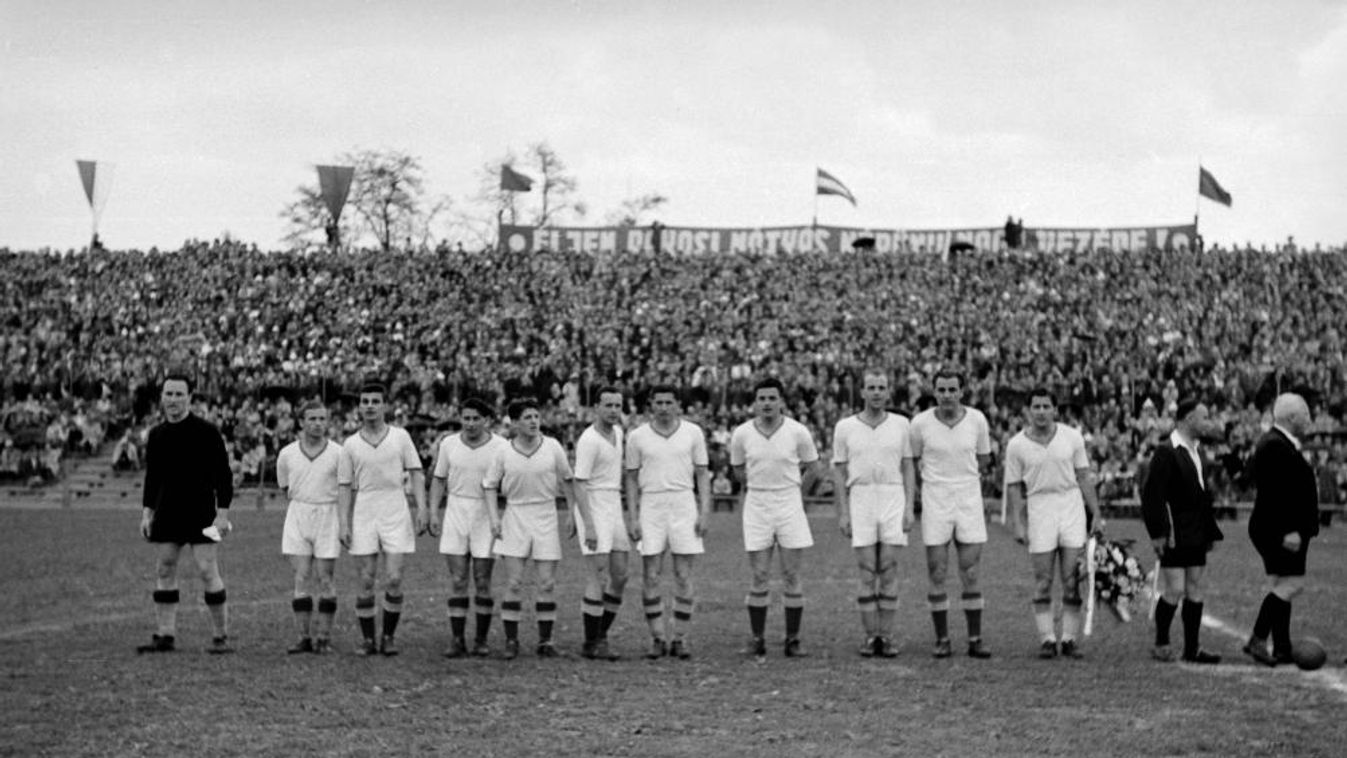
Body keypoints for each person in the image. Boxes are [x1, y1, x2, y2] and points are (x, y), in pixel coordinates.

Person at [136, 373, 235, 654]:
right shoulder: (156, 435)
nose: (173, 399)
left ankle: (220, 637)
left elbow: (223, 476)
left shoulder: (207, 432)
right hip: (167, 511)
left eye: (179, 394)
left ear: (190, 397)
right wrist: (147, 513)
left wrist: (222, 514)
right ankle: (165, 634)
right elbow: (153, 478)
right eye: (169, 394)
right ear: (162, 397)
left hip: (201, 512)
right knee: (165, 568)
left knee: (207, 570)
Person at [484, 397, 587, 659]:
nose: (533, 422)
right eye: (527, 417)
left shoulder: (552, 447)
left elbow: (567, 479)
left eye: (536, 417)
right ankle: (511, 641)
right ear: (515, 423)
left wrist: (572, 512)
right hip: (515, 514)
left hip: (545, 515)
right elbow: (489, 485)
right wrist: (494, 518)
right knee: (514, 582)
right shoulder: (504, 451)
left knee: (547, 583)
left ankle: (545, 641)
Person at [1005, 388, 1104, 659]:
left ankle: (1069, 638)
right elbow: (1014, 487)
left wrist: (1096, 513)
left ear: (1055, 410)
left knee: (1072, 579)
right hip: (1039, 508)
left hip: (1070, 506)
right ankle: (1047, 639)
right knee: (1043, 580)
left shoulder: (1072, 437)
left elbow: (1084, 476)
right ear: (1028, 411)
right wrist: (1018, 523)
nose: (1041, 412)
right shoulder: (1016, 445)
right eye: (1036, 406)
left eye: (1046, 406)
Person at [729, 377, 820, 659]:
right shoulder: (742, 434)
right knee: (759, 574)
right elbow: (738, 471)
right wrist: (759, 487)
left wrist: (797, 495)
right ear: (755, 402)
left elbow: (814, 468)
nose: (767, 403)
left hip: (788, 501)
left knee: (791, 574)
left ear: (781, 401)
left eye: (772, 398)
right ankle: (757, 638)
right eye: (762, 398)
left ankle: (793, 639)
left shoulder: (797, 431)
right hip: (757, 503)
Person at [907, 370, 993, 659]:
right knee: (937, 571)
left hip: (968, 497)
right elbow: (913, 461)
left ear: (962, 392)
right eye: (941, 390)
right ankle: (942, 639)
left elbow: (983, 459)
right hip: (936, 498)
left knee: (971, 571)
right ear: (934, 392)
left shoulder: (977, 420)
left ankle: (975, 639)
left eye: (952, 389)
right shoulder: (920, 423)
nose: (946, 395)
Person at [337, 382, 427, 657]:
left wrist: (422, 508)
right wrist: (344, 522)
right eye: (365, 401)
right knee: (366, 580)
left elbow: (416, 472)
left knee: (394, 578)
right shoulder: (351, 444)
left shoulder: (400, 437)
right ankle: (368, 640)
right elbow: (344, 485)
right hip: (365, 509)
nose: (370, 406)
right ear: (359, 406)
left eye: (375, 401)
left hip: (395, 507)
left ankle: (388, 637)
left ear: (384, 406)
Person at [831, 369, 915, 658]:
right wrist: (843, 513)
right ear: (862, 392)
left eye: (881, 387)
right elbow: (839, 472)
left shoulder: (901, 424)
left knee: (889, 567)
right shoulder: (845, 427)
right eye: (871, 387)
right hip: (862, 496)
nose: (877, 392)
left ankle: (887, 636)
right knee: (867, 569)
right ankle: (870, 636)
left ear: (888, 392)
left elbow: (908, 466)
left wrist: (909, 506)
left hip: (892, 494)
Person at [626, 384, 713, 660]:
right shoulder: (637, 436)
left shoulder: (693, 432)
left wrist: (704, 512)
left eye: (668, 402)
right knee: (651, 574)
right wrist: (633, 516)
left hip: (683, 502)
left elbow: (702, 474)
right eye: (659, 402)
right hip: (651, 504)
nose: (664, 408)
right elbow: (631, 478)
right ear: (651, 405)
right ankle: (657, 637)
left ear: (678, 405)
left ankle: (680, 638)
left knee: (683, 574)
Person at [1141, 398, 1223, 664]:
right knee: (1174, 589)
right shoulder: (1166, 451)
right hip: (1175, 530)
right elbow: (1153, 495)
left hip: (1197, 530)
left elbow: (1202, 494)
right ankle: (1161, 643)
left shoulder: (1197, 450)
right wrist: (1158, 533)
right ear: (1189, 419)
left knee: (1195, 587)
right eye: (1204, 417)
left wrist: (1210, 530)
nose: (1208, 423)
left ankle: (1192, 649)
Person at [426, 397, 507, 658]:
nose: (470, 423)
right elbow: (439, 479)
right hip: (456, 510)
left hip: (485, 512)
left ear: (486, 420)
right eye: (466, 418)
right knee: (458, 579)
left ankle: (481, 640)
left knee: (483, 580)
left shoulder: (500, 446)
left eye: (476, 419)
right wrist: (433, 511)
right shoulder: (449, 444)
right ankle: (457, 639)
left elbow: (508, 480)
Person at [1244, 393, 1319, 666]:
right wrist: (1289, 530)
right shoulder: (1275, 445)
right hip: (1280, 529)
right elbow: (1276, 493)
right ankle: (1258, 637)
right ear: (1292, 417)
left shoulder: (1277, 442)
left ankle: (1282, 647)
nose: (1309, 419)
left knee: (1280, 583)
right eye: (1306, 414)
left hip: (1274, 527)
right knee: (1292, 584)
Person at [276, 400, 343, 654]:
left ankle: (324, 638)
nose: (317, 424)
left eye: (322, 419)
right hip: (298, 514)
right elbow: (285, 487)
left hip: (328, 514)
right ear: (301, 422)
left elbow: (346, 488)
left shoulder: (338, 453)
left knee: (326, 578)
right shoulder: (287, 454)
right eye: (312, 419)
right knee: (301, 577)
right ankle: (303, 637)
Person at [573, 387, 631, 660]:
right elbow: (579, 483)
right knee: (597, 574)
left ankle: (600, 634)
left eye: (617, 405)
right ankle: (592, 641)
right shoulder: (589, 440)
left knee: (620, 575)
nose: (613, 411)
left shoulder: (618, 433)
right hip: (594, 505)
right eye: (608, 405)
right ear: (596, 407)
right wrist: (588, 524)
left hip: (613, 504)